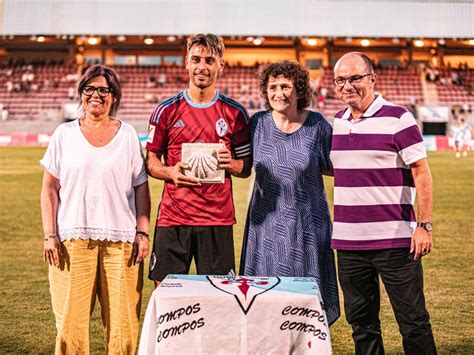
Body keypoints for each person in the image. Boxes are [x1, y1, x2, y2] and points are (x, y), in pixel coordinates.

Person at [331, 52, 437, 354]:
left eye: (355, 78)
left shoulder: (398, 117)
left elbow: (422, 172)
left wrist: (424, 226)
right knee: (362, 325)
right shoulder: (337, 122)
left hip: (395, 243)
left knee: (413, 322)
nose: (347, 85)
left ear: (372, 79)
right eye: (340, 80)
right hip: (349, 245)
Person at [40, 64, 150, 354]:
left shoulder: (127, 135)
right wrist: (50, 235)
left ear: (114, 96)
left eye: (104, 90)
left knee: (123, 328)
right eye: (89, 89)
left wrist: (143, 232)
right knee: (70, 328)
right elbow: (49, 188)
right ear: (82, 93)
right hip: (72, 242)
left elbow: (141, 186)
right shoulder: (64, 134)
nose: (96, 95)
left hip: (121, 244)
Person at [146, 33, 251, 286]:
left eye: (209, 60)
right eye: (196, 60)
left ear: (220, 65)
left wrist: (231, 164)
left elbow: (246, 168)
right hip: (174, 217)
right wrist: (171, 172)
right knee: (167, 293)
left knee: (219, 298)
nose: (202, 67)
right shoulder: (166, 110)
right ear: (187, 62)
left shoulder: (235, 113)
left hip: (217, 218)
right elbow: (151, 161)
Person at [239, 61, 340, 325]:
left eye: (285, 86)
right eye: (272, 87)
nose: (278, 93)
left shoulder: (317, 125)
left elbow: (336, 167)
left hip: (307, 227)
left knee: (307, 308)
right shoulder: (257, 124)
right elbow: (243, 166)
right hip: (266, 230)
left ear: (299, 90)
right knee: (265, 306)